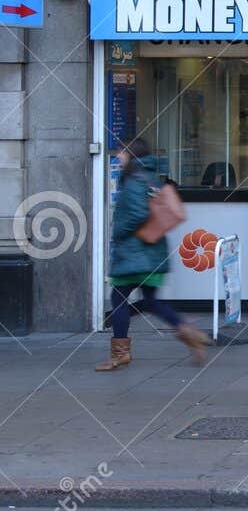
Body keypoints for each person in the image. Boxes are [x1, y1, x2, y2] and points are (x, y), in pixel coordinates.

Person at [95, 137, 210, 371]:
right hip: (151, 251)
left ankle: (119, 355)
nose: (119, 157)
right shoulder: (148, 178)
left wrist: (117, 232)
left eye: (122, 153)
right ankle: (190, 333)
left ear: (132, 155)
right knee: (150, 300)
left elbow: (137, 215)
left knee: (118, 300)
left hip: (136, 254)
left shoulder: (135, 180)